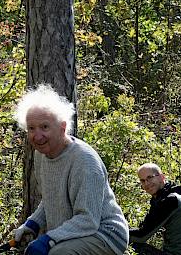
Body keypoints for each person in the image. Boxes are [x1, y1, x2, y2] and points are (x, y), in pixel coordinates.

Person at [9, 85, 129, 255]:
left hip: (106, 234)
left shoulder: (85, 161)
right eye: (31, 128)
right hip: (81, 231)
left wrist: (48, 240)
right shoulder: (41, 155)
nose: (37, 136)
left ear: (62, 127)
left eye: (44, 127)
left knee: (58, 253)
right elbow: (51, 198)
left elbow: (88, 220)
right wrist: (33, 223)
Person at [128, 163, 181, 255]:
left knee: (131, 245)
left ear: (161, 177)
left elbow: (142, 236)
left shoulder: (170, 200)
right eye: (143, 181)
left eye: (150, 177)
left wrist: (115, 233)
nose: (147, 183)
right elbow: (144, 228)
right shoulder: (163, 197)